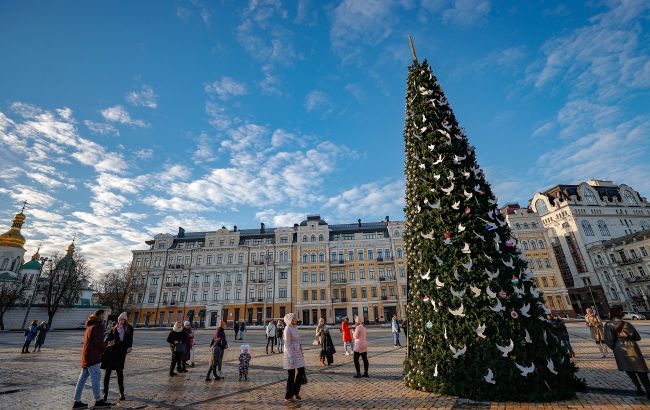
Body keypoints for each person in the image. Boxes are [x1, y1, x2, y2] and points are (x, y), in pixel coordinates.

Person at [604, 307, 650, 398]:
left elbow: (608, 340)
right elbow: (638, 337)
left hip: (619, 348)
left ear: (611, 314)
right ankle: (648, 390)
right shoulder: (627, 324)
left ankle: (638, 388)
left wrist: (615, 347)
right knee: (640, 369)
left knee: (628, 369)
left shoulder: (608, 324)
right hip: (632, 347)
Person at [72, 309, 112, 409]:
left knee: (81, 380)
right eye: (103, 314)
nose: (104, 316)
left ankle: (77, 401)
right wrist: (105, 347)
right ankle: (98, 400)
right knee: (96, 379)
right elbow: (98, 342)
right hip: (94, 356)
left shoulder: (90, 325)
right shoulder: (98, 326)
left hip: (86, 356)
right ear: (100, 315)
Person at [101, 312, 133, 402]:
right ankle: (105, 393)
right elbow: (108, 338)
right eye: (119, 319)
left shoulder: (129, 328)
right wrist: (107, 342)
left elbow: (130, 339)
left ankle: (121, 393)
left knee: (120, 372)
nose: (120, 321)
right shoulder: (114, 328)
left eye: (122, 319)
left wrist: (129, 347)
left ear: (125, 320)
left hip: (120, 353)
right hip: (111, 352)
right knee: (107, 373)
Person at [283, 313, 306, 401]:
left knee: (301, 371)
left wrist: (300, 350)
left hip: (297, 352)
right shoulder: (287, 329)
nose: (296, 319)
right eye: (294, 318)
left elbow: (297, 340)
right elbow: (287, 344)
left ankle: (296, 392)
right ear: (290, 320)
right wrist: (290, 356)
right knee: (291, 374)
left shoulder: (295, 327)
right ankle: (289, 395)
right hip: (290, 353)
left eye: (295, 318)